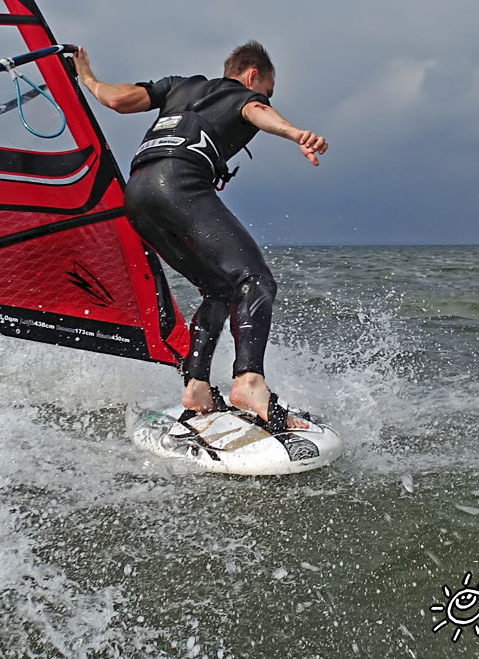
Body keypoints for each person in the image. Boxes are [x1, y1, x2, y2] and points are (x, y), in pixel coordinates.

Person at [73, 41, 327, 432]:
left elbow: (118, 100)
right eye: (267, 89)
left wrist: (86, 77)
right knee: (254, 280)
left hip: (138, 195)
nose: (264, 97)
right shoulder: (244, 94)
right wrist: (295, 133)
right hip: (180, 184)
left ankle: (197, 388)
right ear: (252, 74)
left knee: (220, 289)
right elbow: (255, 110)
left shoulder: (180, 85)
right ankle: (249, 382)